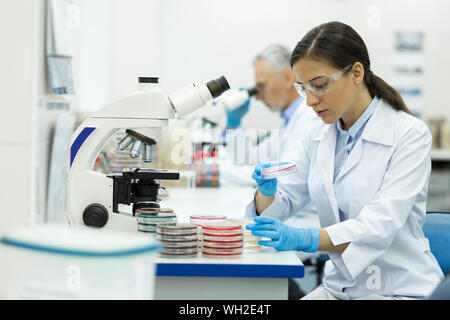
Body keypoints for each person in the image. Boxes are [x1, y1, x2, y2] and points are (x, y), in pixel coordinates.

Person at [245, 21, 444, 300]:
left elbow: (378, 225)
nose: (309, 101)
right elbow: (283, 203)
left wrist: (307, 238)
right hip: (339, 288)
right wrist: (266, 193)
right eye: (304, 88)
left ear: (356, 73)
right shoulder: (318, 135)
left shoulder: (409, 134)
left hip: (398, 290)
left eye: (319, 85)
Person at [220, 44, 323, 189]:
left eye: (261, 86)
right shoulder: (287, 122)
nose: (257, 96)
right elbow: (249, 160)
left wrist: (213, 174)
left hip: (303, 211)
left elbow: (279, 173)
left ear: (287, 78)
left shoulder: (310, 118)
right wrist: (234, 124)